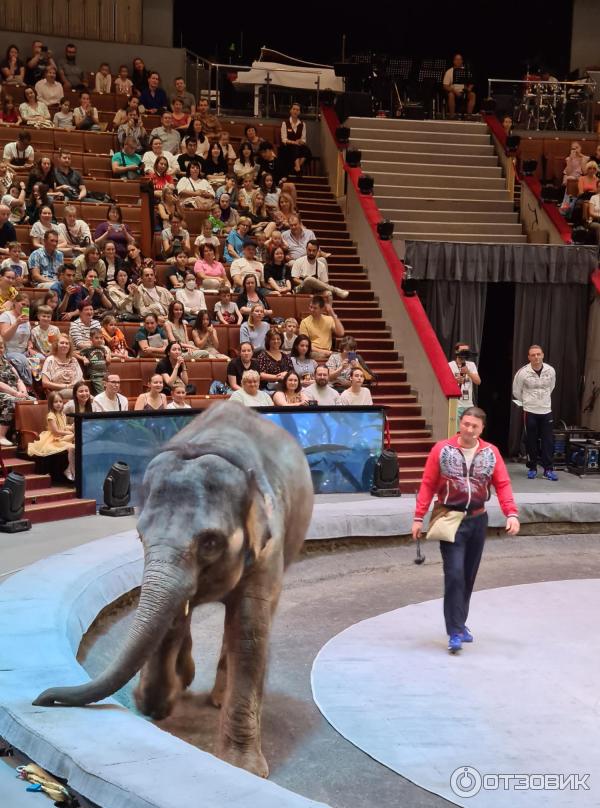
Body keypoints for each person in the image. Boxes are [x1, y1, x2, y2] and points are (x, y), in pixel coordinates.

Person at [411, 407, 520, 653]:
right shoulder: (442, 449)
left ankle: (460, 623)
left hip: (478, 520)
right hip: (450, 518)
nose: (469, 429)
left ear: (482, 429)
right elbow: (427, 484)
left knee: (468, 576)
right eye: (466, 424)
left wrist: (511, 513)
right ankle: (455, 631)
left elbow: (502, 484)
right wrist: (418, 517)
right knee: (454, 574)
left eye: (475, 426)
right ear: (459, 423)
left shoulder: (491, 452)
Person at [512, 345, 558, 481]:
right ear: (529, 357)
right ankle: (532, 467)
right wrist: (528, 402)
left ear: (543, 355)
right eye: (533, 355)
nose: (536, 357)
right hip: (530, 411)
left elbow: (552, 387)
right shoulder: (523, 372)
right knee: (530, 440)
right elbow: (516, 391)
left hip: (546, 410)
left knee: (548, 441)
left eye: (538, 354)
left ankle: (548, 469)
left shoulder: (550, 370)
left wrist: (542, 400)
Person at [28, 391, 76, 479]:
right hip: (53, 439)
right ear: (51, 404)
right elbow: (56, 431)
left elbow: (63, 426)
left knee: (77, 443)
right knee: (71, 447)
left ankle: (70, 468)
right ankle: (69, 470)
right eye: (55, 402)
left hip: (61, 436)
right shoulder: (51, 415)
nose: (58, 404)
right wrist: (68, 432)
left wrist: (70, 428)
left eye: (60, 402)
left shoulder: (62, 414)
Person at [0, 335, 32, 446]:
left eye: (1, 347)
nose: (0, 349)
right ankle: (1, 435)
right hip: (3, 393)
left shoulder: (6, 361)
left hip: (15, 392)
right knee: (11, 401)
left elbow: (18, 380)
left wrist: (23, 392)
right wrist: (15, 393)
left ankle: (25, 435)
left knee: (32, 401)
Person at [0, 293, 33, 385]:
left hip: (24, 351)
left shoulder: (26, 318)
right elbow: (4, 337)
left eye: (27, 306)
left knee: (40, 358)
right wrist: (16, 323)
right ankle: (28, 384)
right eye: (23, 304)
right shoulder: (6, 316)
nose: (25, 307)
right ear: (15, 302)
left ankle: (40, 386)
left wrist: (30, 346)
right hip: (8, 352)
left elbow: (28, 337)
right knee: (21, 359)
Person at [299, 295, 344, 360]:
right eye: (310, 307)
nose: (311, 310)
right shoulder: (304, 322)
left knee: (348, 356)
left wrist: (332, 313)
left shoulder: (329, 319)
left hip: (328, 352)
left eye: (315, 308)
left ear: (322, 309)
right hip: (313, 351)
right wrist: (326, 352)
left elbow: (341, 333)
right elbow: (304, 344)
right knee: (318, 355)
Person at [449, 342, 481, 427]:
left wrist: (468, 372)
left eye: (466, 351)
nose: (464, 353)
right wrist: (455, 381)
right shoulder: (450, 366)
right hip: (456, 405)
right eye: (462, 351)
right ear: (456, 352)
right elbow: (446, 385)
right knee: (456, 430)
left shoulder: (471, 365)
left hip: (468, 404)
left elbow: (478, 381)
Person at [41, 334, 83, 399]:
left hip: (76, 390)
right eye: (62, 343)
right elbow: (45, 383)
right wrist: (65, 386)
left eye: (67, 343)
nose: (64, 345)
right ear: (56, 345)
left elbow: (81, 379)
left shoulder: (74, 360)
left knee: (91, 398)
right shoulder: (50, 360)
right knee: (82, 396)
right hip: (58, 392)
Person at [279, 103, 312, 176]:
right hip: (287, 147)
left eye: (297, 110)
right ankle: (297, 167)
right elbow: (283, 139)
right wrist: (293, 142)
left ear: (299, 112)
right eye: (294, 109)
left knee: (307, 150)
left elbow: (304, 140)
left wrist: (300, 141)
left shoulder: (303, 124)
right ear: (290, 111)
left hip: (298, 146)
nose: (295, 111)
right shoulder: (285, 123)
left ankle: (297, 167)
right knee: (295, 147)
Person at [80, 329, 110, 394]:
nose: (99, 340)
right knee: (102, 393)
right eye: (96, 338)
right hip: (95, 375)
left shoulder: (103, 349)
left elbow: (108, 360)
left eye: (101, 338)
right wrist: (83, 358)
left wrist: (107, 356)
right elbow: (74, 353)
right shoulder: (88, 349)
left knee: (112, 389)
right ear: (91, 339)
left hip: (105, 374)